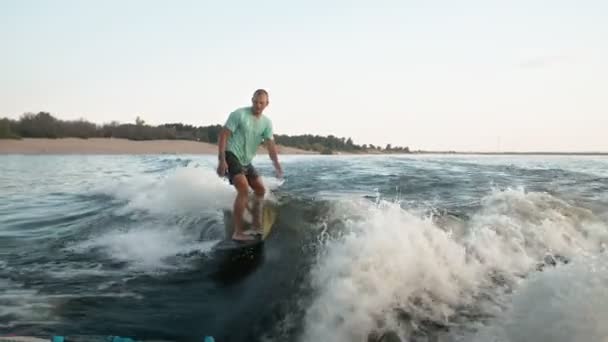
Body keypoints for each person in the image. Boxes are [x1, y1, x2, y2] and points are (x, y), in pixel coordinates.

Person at [217, 89, 283, 241]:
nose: (258, 105)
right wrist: (222, 160)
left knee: (260, 189)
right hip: (231, 154)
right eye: (255, 102)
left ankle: (255, 224)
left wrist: (276, 164)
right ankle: (238, 232)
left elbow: (270, 145)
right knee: (244, 189)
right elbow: (223, 136)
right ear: (252, 100)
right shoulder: (239, 114)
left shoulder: (266, 123)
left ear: (267, 104)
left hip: (246, 161)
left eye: (261, 103)